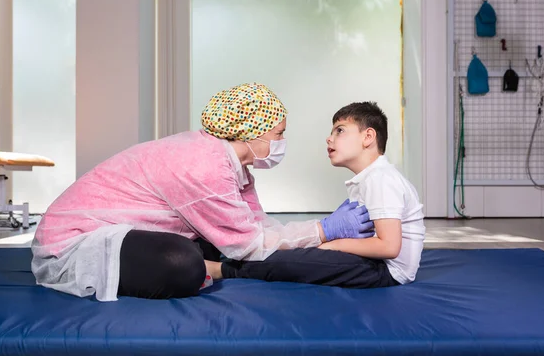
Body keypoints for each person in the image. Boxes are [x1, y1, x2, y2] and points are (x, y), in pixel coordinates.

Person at [31, 83, 374, 301]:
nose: (282, 142)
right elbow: (247, 244)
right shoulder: (203, 165)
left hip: (119, 226)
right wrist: (324, 229)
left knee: (215, 244)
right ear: (248, 131)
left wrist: (318, 231)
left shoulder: (233, 166)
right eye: (278, 133)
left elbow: (257, 227)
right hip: (71, 243)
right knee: (184, 265)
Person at [209, 101, 425, 288]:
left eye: (339, 130)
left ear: (368, 136)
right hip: (374, 262)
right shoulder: (371, 178)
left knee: (296, 262)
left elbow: (389, 247)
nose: (329, 139)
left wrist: (332, 246)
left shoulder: (381, 179)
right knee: (304, 251)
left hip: (387, 271)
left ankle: (224, 270)